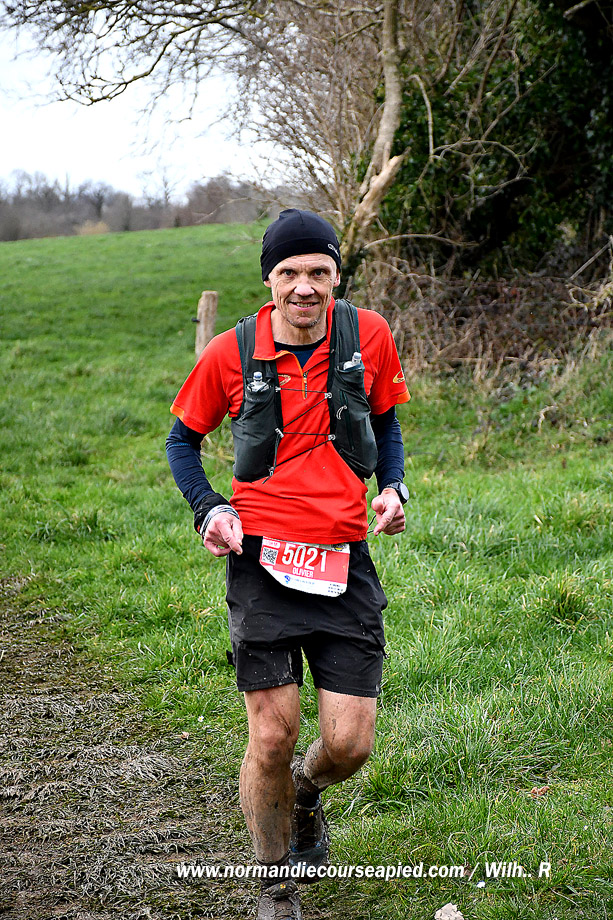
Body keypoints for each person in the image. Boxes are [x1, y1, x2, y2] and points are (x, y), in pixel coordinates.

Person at [166, 209, 410, 920]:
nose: (305, 286)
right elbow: (182, 441)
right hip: (262, 559)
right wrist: (209, 508)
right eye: (290, 272)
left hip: (343, 557)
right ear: (269, 279)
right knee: (272, 736)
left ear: (337, 275)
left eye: (319, 272)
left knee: (349, 746)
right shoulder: (230, 353)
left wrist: (393, 487)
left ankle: (306, 793)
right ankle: (275, 888)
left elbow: (386, 420)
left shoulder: (368, 335)